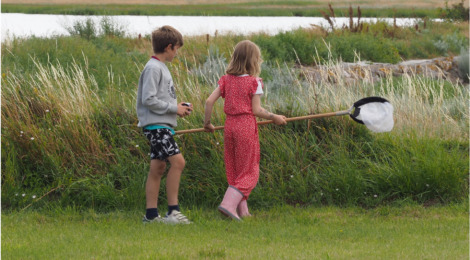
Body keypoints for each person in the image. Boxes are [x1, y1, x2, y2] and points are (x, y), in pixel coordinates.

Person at [203, 40, 287, 221]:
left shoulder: (226, 80)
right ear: (253, 61)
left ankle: (242, 211)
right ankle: (228, 205)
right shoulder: (253, 82)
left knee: (235, 169)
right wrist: (275, 117)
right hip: (246, 127)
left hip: (230, 127)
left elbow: (209, 102)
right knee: (249, 171)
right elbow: (257, 111)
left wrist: (207, 123)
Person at [136, 25, 193, 224]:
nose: (177, 53)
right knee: (178, 163)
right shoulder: (153, 68)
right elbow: (148, 100)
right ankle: (173, 212)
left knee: (158, 168)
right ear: (169, 47)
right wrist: (173, 109)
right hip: (156, 127)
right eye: (177, 48)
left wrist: (178, 108)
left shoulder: (160, 67)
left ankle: (151, 216)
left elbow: (160, 99)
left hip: (162, 125)